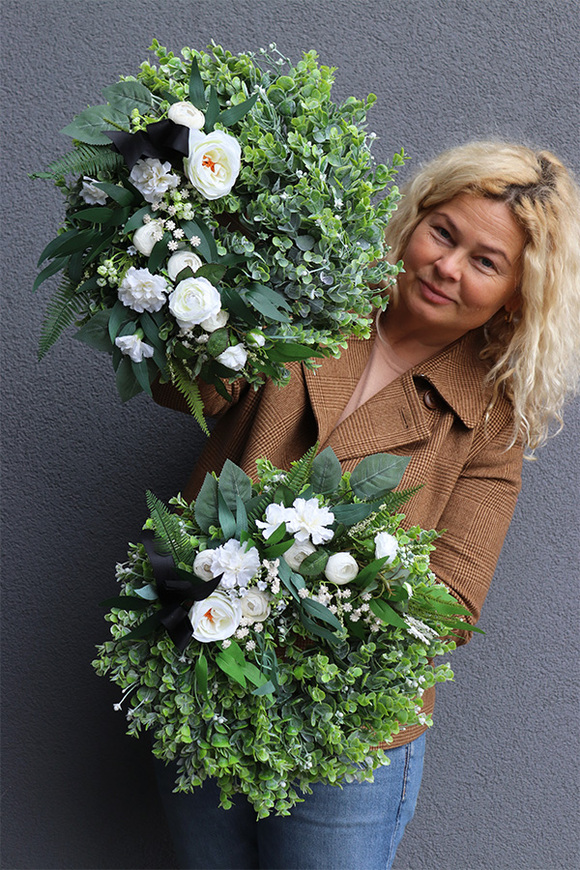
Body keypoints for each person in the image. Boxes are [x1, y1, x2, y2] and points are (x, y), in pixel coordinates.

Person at [152, 140, 580, 870]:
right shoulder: (313, 302)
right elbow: (186, 390)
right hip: (204, 675)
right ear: (415, 219)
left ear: (516, 294)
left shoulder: (489, 422)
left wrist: (307, 583)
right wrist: (196, 271)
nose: (447, 267)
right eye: (443, 233)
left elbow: (452, 603)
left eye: (485, 262)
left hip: (349, 734)